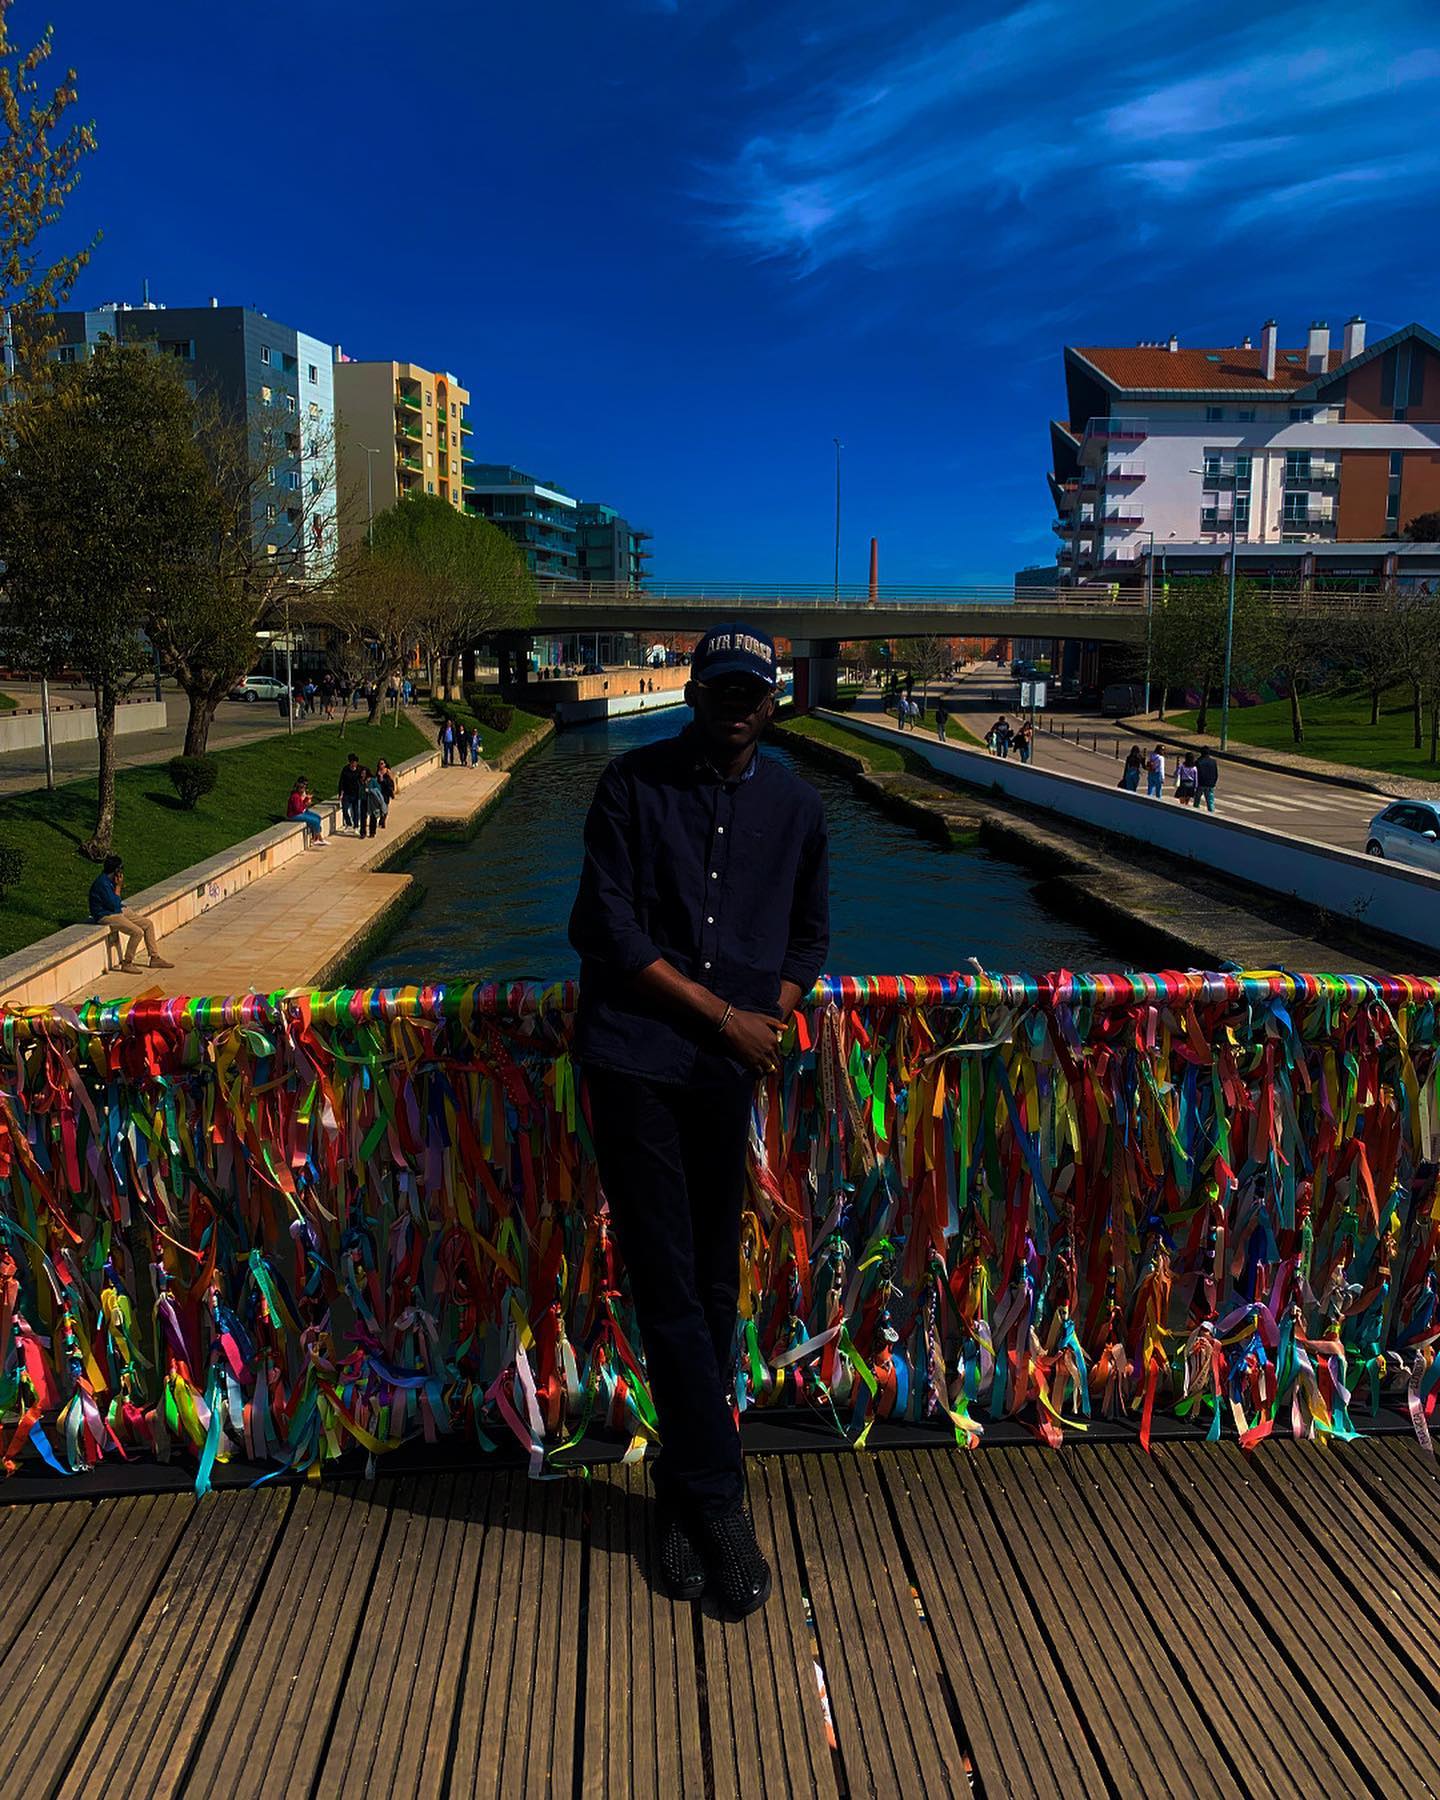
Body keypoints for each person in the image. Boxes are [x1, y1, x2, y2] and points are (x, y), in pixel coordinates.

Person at [570, 621, 829, 1620]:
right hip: (635, 1060)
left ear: (771, 703)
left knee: (715, 1275)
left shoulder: (799, 808)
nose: (734, 704)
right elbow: (604, 926)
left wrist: (782, 1012)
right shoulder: (631, 788)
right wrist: (726, 1016)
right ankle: (719, 1501)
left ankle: (680, 1485)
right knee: (668, 1273)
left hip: (727, 1073)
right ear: (692, 694)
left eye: (749, 692)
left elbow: (808, 936)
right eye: (718, 689)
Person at [88, 855, 174, 971]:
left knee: (147, 924)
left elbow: (116, 904)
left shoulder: (110, 880)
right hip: (105, 915)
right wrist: (118, 887)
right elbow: (114, 904)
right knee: (137, 932)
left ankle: (154, 958)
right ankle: (127, 962)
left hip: (116, 910)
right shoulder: (102, 883)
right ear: (116, 870)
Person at [287, 776, 327, 848]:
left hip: (300, 812)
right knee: (315, 821)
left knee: (318, 818)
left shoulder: (298, 795)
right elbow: (298, 809)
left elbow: (301, 806)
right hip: (294, 815)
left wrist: (306, 800)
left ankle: (316, 837)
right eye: (302, 788)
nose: (304, 790)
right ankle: (317, 838)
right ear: (298, 788)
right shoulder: (295, 796)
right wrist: (306, 804)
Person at [338, 752, 363, 832]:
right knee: (345, 809)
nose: (353, 764)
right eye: (352, 762)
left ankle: (356, 826)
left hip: (356, 794)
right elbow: (341, 782)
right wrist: (340, 793)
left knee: (356, 811)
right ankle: (348, 824)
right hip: (347, 793)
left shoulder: (360, 769)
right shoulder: (345, 770)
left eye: (355, 762)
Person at [360, 764, 387, 837]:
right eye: (361, 773)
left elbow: (378, 789)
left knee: (373, 817)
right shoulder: (360, 781)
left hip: (371, 801)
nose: (362, 775)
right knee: (363, 817)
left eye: (363, 773)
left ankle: (372, 832)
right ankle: (363, 833)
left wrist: (369, 790)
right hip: (363, 800)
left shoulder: (372, 781)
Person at [1196, 748, 1219, 813]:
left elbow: (1197, 774)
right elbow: (1216, 773)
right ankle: (1211, 813)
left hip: (1201, 783)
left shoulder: (1198, 761)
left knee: (1197, 800)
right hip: (1210, 784)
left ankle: (1195, 811)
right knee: (1210, 801)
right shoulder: (1213, 762)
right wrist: (1214, 782)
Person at [375, 758, 396, 827]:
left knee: (385, 807)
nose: (381, 765)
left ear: (385, 764)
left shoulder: (388, 772)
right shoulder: (378, 772)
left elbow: (391, 782)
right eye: (379, 764)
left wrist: (382, 779)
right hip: (380, 791)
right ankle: (381, 818)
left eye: (382, 763)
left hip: (386, 791)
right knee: (380, 807)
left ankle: (383, 820)